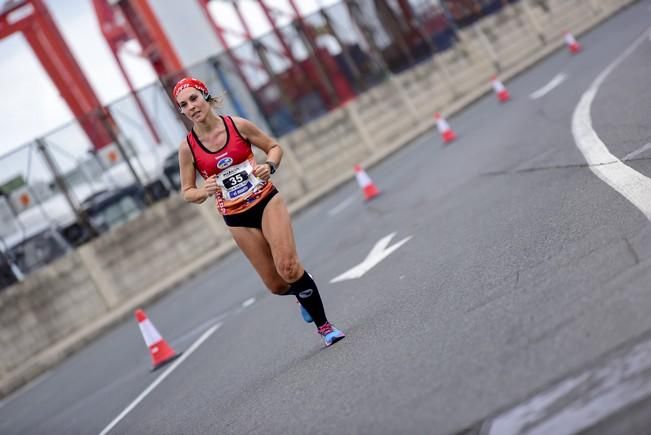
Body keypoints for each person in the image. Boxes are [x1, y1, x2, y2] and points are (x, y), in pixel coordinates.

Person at [174, 77, 345, 347]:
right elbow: (187, 191)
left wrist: (270, 166)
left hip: (266, 201)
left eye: (194, 98)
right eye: (183, 105)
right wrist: (203, 191)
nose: (191, 106)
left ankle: (325, 327)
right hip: (236, 218)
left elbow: (274, 147)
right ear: (182, 112)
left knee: (288, 267)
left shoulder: (237, 125)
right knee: (277, 285)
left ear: (205, 96)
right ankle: (302, 290)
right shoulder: (188, 149)